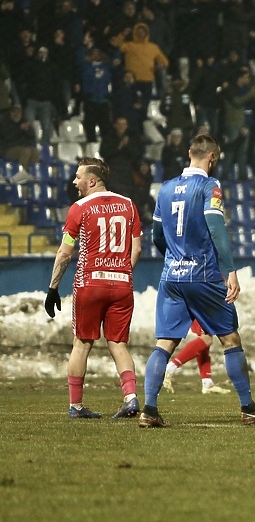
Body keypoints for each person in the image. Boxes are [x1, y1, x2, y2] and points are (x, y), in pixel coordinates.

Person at [140, 134, 255, 427]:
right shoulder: (209, 186)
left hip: (171, 277)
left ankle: (148, 410)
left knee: (164, 343)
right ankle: (248, 407)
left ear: (190, 153)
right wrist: (229, 270)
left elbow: (156, 236)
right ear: (212, 157)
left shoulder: (164, 189)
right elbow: (216, 229)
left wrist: (174, 258)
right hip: (202, 274)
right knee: (230, 339)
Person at [44, 158, 143, 419]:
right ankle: (131, 399)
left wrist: (53, 288)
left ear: (92, 180)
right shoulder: (129, 206)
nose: (74, 182)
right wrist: (123, 272)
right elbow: (138, 248)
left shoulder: (78, 209)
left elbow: (66, 253)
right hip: (122, 284)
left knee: (82, 343)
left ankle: (76, 406)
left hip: (90, 282)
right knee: (119, 344)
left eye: (78, 177)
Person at [161, 319, 231, 395]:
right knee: (206, 339)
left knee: (205, 340)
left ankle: (207, 383)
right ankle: (170, 368)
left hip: (205, 308)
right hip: (200, 307)